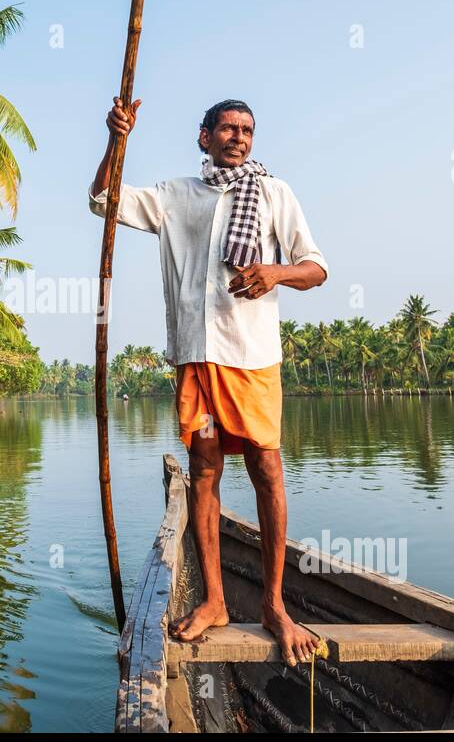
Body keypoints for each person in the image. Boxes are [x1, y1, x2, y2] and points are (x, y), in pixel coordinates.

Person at [88, 96, 328, 666]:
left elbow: (316, 268)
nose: (237, 137)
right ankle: (216, 600)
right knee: (203, 471)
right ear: (204, 137)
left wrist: (275, 272)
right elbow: (103, 201)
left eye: (246, 129)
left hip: (252, 357)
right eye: (226, 128)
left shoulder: (274, 194)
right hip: (195, 356)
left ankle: (273, 605)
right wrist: (116, 140)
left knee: (267, 468)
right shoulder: (177, 196)